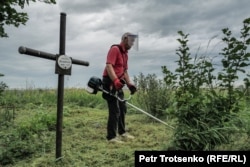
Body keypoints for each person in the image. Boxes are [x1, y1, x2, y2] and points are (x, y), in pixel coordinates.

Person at [102, 32, 138, 143]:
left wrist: (130, 84)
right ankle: (111, 137)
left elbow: (124, 71)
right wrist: (115, 80)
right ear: (125, 39)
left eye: (134, 41)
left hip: (118, 82)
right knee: (115, 109)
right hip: (110, 82)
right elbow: (109, 66)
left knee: (122, 108)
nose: (132, 44)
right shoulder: (115, 49)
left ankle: (122, 132)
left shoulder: (125, 54)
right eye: (131, 41)